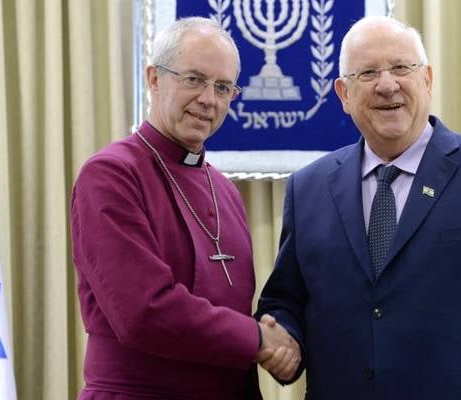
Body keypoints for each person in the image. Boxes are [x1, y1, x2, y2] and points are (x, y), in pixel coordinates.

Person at [256, 15, 461, 399]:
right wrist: (282, 337)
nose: (388, 85)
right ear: (343, 94)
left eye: (402, 67)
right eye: (367, 73)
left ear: (427, 79)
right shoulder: (309, 187)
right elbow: (287, 300)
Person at [71, 17, 299, 400]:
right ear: (154, 78)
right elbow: (144, 312)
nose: (208, 99)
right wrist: (259, 337)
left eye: (223, 87)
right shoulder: (110, 174)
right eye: (193, 79)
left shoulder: (224, 190)